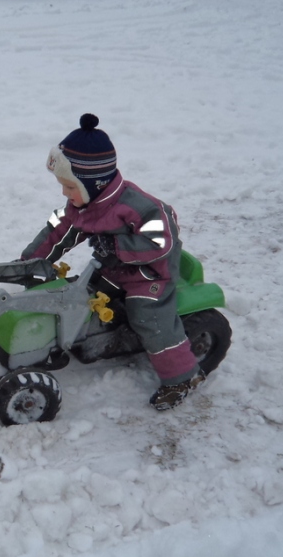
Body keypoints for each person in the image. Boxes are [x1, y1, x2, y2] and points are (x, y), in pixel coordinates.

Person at [20, 113, 204, 410]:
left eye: (69, 187)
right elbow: (60, 229)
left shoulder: (137, 207)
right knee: (79, 295)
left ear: (94, 183)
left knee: (148, 317)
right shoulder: (85, 203)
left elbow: (161, 242)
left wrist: (116, 245)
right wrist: (31, 261)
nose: (64, 193)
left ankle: (182, 377)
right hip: (114, 267)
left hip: (149, 274)